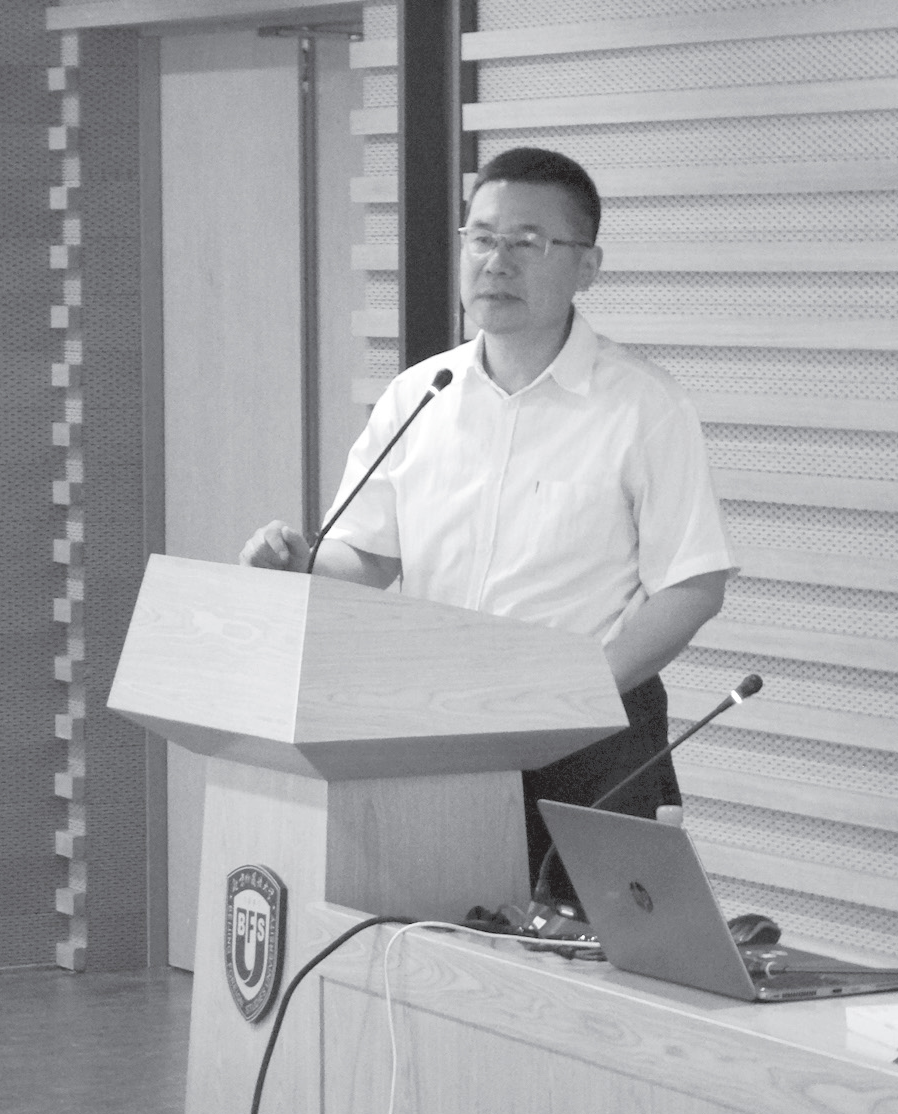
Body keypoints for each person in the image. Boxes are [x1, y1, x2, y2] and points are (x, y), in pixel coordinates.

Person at [241, 147, 736, 900]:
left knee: (583, 952)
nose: (496, 263)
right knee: (442, 941)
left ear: (588, 266)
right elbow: (367, 556)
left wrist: (580, 688)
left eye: (527, 243)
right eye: (482, 238)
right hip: (440, 729)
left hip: (591, 739)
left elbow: (694, 584)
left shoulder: (643, 407)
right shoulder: (420, 396)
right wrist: (300, 566)